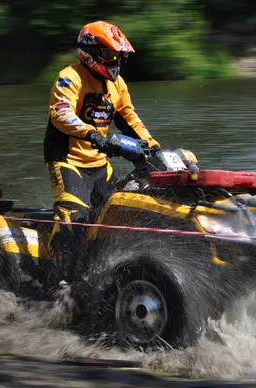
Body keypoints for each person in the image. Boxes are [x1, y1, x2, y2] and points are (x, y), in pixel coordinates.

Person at [43, 20, 160, 284]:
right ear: (90, 52)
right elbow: (60, 114)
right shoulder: (69, 77)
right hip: (67, 161)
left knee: (116, 218)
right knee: (75, 219)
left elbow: (130, 120)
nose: (114, 61)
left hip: (100, 164)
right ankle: (58, 282)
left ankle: (101, 274)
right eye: (109, 55)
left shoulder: (117, 85)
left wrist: (154, 147)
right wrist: (92, 134)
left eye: (117, 56)